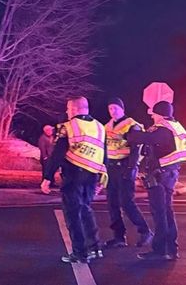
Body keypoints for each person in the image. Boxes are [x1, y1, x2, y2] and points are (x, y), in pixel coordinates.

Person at [41, 97, 105, 263]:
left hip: (73, 175)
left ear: (75, 109)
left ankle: (80, 252)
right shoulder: (100, 127)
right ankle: (95, 247)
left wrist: (47, 177)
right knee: (86, 209)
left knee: (73, 214)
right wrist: (102, 178)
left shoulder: (68, 126)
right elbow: (104, 155)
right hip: (92, 175)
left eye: (68, 109)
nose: (67, 112)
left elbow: (58, 154)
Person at [127, 100, 185, 261]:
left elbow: (145, 138)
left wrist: (131, 133)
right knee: (167, 212)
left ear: (160, 114)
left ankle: (160, 250)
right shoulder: (177, 126)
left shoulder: (164, 129)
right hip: (171, 173)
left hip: (161, 176)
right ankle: (171, 249)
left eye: (153, 113)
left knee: (160, 214)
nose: (151, 116)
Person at [103, 97, 152, 249]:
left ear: (122, 109)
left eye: (115, 108)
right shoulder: (107, 126)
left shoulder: (132, 125)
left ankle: (145, 231)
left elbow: (136, 150)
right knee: (112, 203)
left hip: (125, 166)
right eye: (110, 108)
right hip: (111, 167)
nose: (113, 111)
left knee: (126, 202)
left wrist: (131, 169)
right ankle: (118, 237)